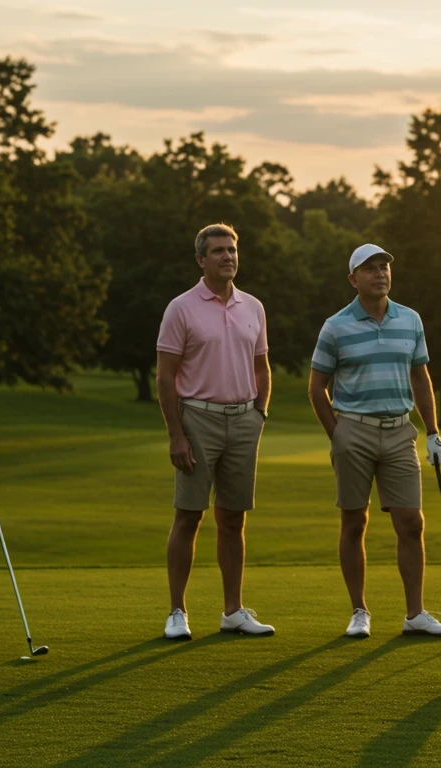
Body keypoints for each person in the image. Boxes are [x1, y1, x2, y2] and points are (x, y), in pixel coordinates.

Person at [308, 244, 441, 639]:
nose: (380, 273)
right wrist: (338, 434)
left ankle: (415, 614)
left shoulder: (410, 319)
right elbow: (317, 388)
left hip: (400, 431)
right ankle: (359, 611)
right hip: (353, 430)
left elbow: (420, 377)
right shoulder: (336, 326)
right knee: (354, 521)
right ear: (353, 279)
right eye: (370, 268)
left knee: (411, 522)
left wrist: (433, 431)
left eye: (384, 266)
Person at [156, 223, 275, 640]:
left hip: (244, 419)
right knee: (189, 515)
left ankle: (233, 611)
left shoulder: (253, 307)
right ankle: (177, 612)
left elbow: (262, 367)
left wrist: (259, 414)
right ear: (201, 259)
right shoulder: (181, 308)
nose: (228, 257)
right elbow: (165, 376)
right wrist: (176, 434)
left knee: (234, 518)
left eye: (232, 250)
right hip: (197, 419)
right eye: (218, 251)